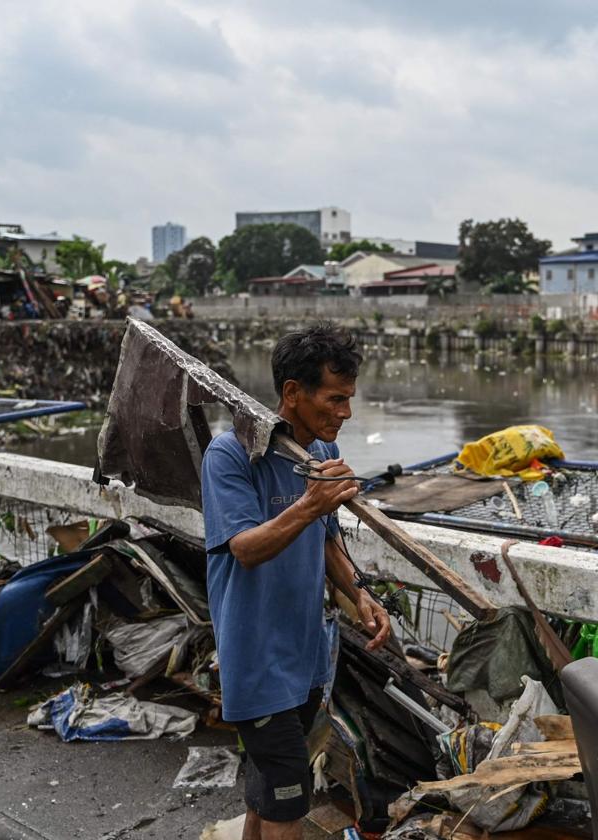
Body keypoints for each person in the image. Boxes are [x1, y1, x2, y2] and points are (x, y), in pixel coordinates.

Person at [200, 323, 392, 840]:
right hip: (256, 662)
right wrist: (310, 504)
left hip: (306, 657)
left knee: (267, 794)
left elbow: (329, 543)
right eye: (334, 399)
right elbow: (244, 549)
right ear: (292, 393)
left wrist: (360, 595)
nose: (345, 413)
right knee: (289, 804)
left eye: (349, 399)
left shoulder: (322, 458)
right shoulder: (231, 454)